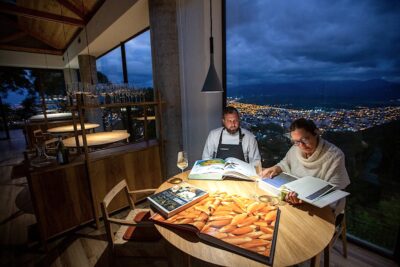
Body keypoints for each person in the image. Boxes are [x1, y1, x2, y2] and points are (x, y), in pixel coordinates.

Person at [261, 118, 350, 214]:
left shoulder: (334, 155)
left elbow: (334, 190)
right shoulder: (295, 148)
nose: (301, 145)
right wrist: (276, 168)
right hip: (293, 200)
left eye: (305, 139)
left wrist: (305, 198)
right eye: (296, 141)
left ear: (316, 133)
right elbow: (285, 163)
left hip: (320, 208)